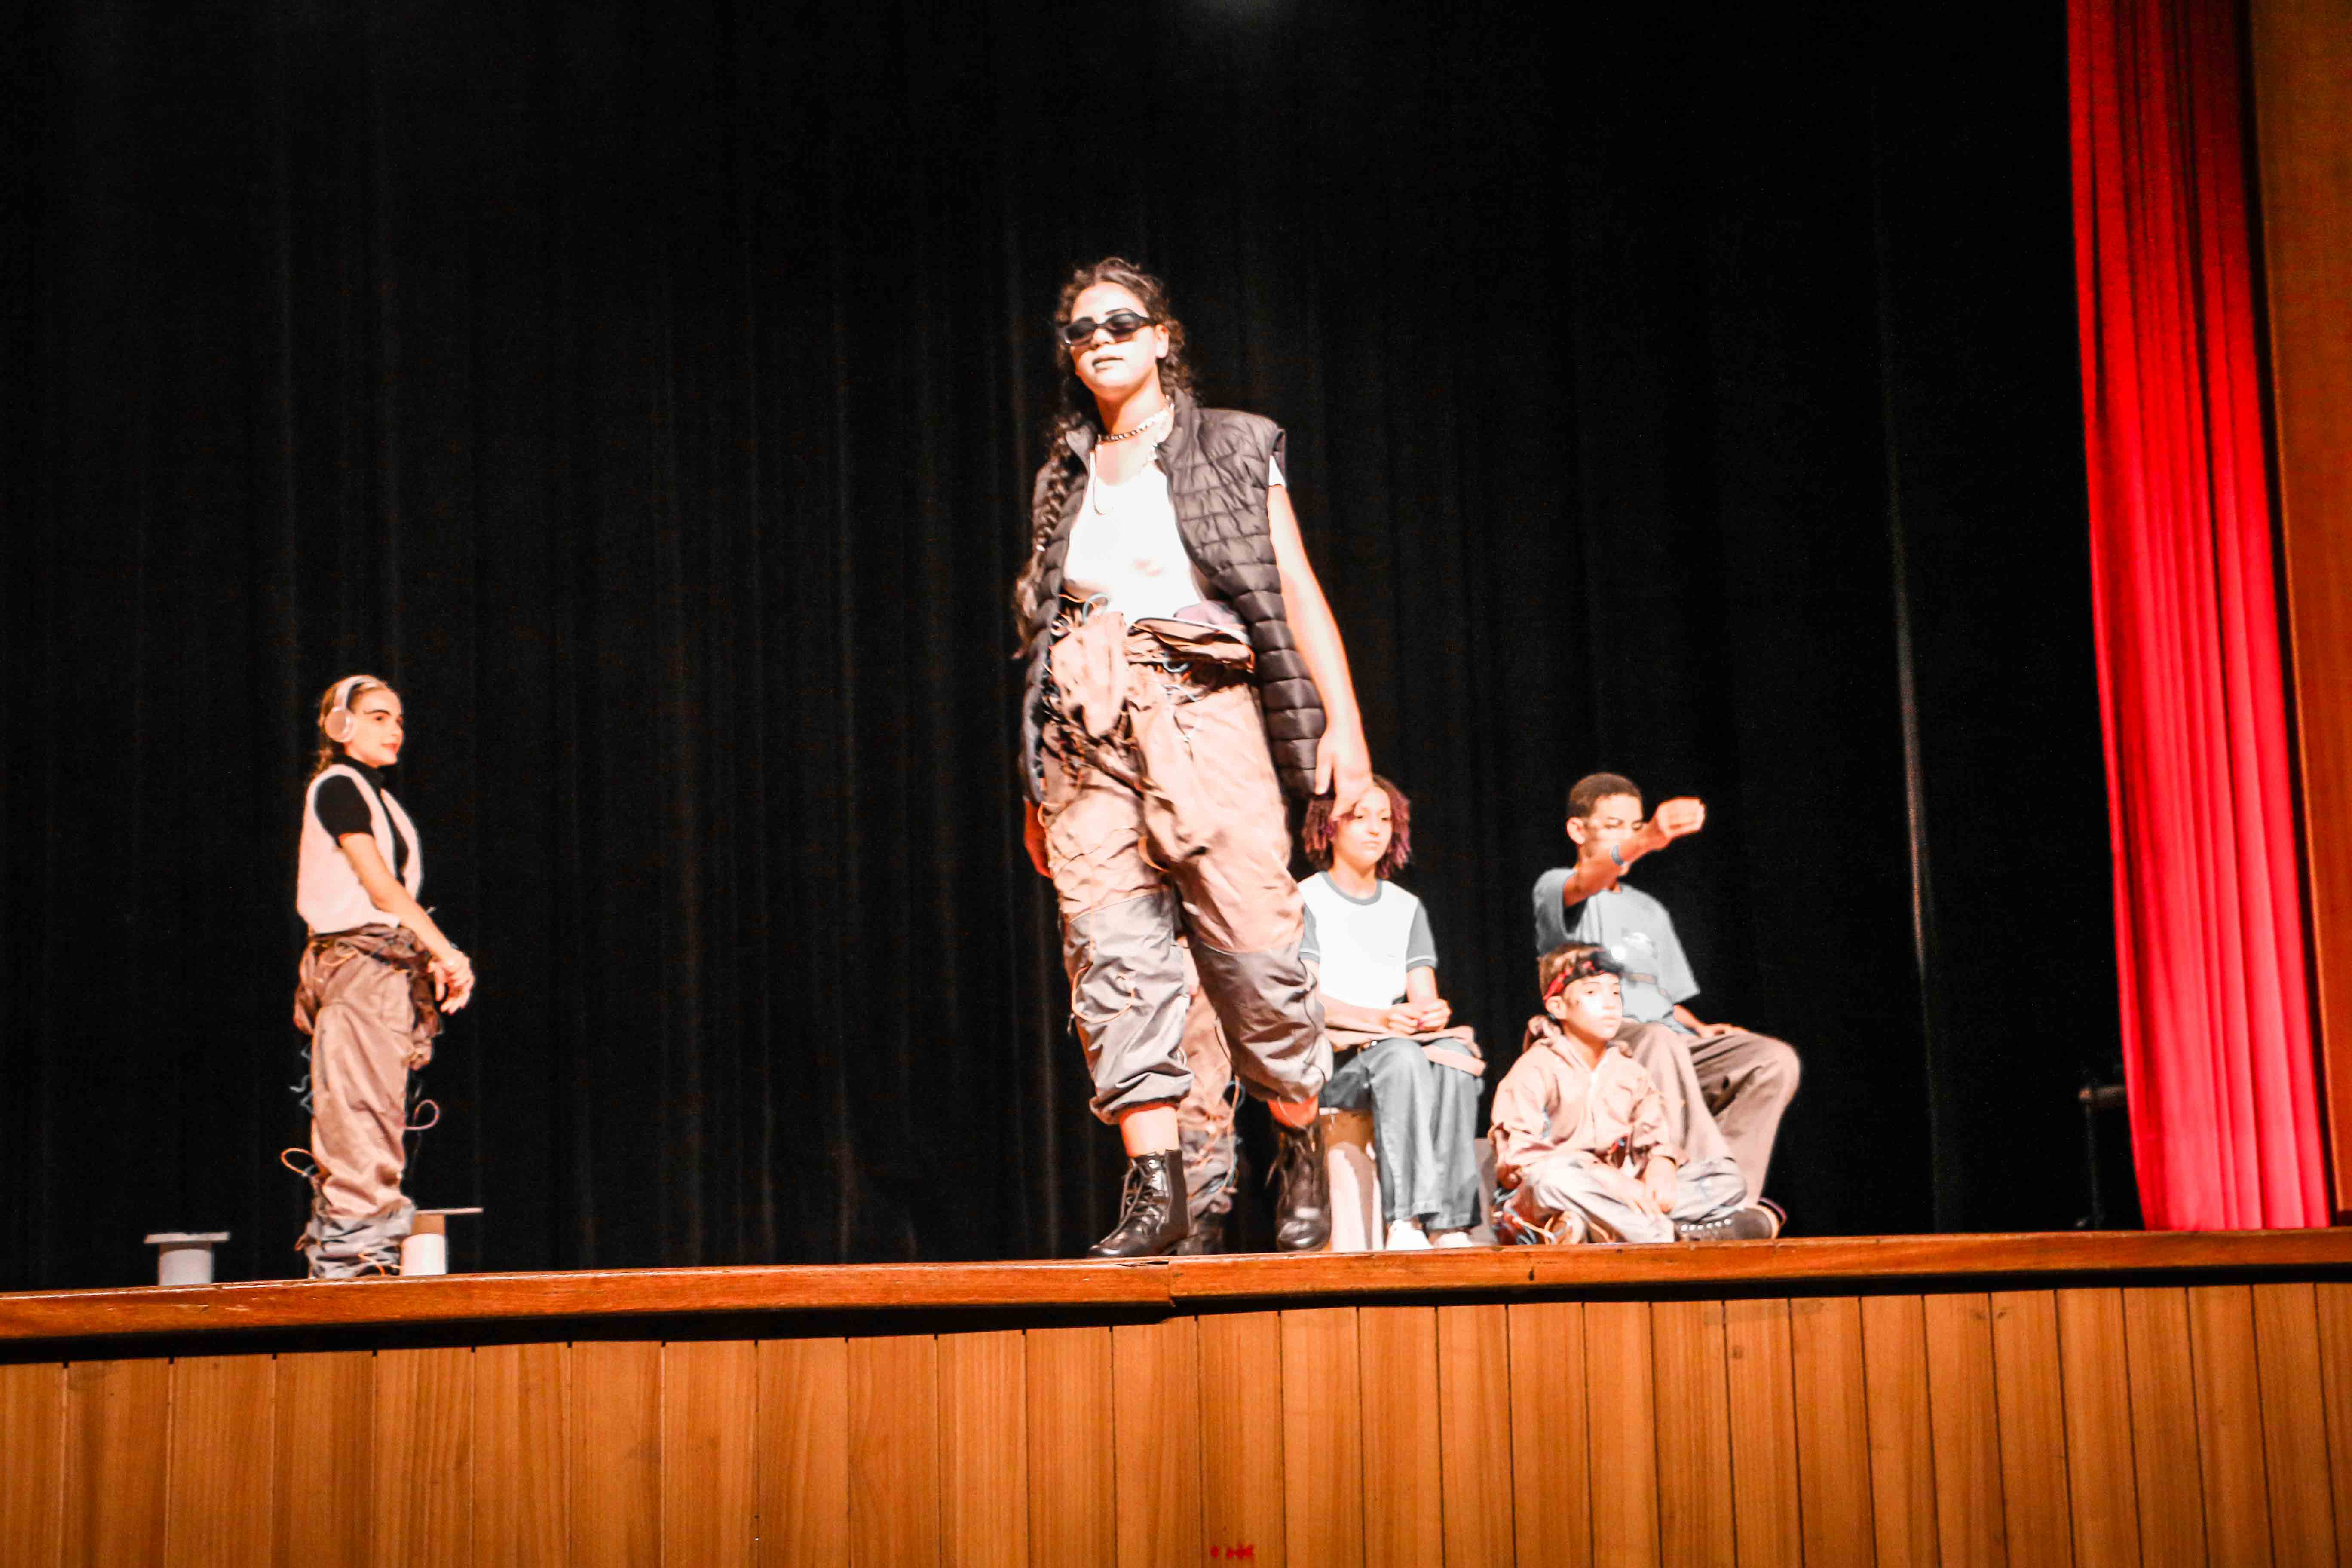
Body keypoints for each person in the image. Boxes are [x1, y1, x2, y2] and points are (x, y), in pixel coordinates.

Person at [1015, 257, 1375, 1258]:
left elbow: (1293, 590)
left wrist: (1345, 729)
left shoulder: (1233, 443)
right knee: (1111, 954)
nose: (1101, 340)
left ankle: (1297, 1138)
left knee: (1255, 956)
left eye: (1121, 323)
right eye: (1082, 331)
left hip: (1204, 713)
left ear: (1161, 338)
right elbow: (1044, 640)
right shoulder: (1064, 476)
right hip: (1087, 732)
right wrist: (1036, 786)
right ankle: (1156, 1190)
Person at [1532, 772, 1801, 1203]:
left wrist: (1701, 1029)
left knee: (1772, 1059)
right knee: (1659, 1041)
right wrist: (1648, 839)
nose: (1628, 836)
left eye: (1635, 826)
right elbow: (1586, 881)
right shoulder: (1557, 887)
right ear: (1578, 830)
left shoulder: (1649, 910)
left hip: (1668, 1040)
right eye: (1614, 825)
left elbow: (1661, 998)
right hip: (1606, 1043)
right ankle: (1682, 1191)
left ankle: (1730, 1201)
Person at [291, 675, 474, 1277]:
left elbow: (390, 900)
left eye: (397, 719)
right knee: (358, 1118)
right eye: (377, 717)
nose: (394, 730)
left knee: (376, 1120)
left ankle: (365, 1259)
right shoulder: (339, 785)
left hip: (382, 969)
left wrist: (428, 955)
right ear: (339, 725)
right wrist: (448, 953)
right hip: (358, 969)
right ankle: (351, 1267)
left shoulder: (380, 799)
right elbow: (380, 889)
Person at [1298, 777, 1483, 1247]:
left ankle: (1450, 1223)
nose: (1374, 829)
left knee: (1456, 1057)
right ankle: (1406, 1219)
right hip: (1337, 1060)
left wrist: (1431, 1014)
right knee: (1401, 1057)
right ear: (1329, 828)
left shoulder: (1406, 907)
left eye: (1384, 819)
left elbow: (1423, 996)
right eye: (1360, 817)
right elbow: (1305, 997)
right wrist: (1379, 1019)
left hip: (1394, 1047)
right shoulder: (1306, 898)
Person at [1490, 943, 1776, 1244]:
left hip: (1617, 1194)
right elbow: (1518, 1160)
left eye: (1615, 993)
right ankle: (1672, 1236)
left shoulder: (1629, 1072)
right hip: (1548, 1200)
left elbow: (1654, 1136)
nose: (1610, 1004)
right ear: (1558, 1007)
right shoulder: (1535, 1068)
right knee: (1552, 1179)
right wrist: (1600, 1174)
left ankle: (1601, 1229)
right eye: (1592, 993)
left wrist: (1662, 1165)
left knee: (1725, 1177)